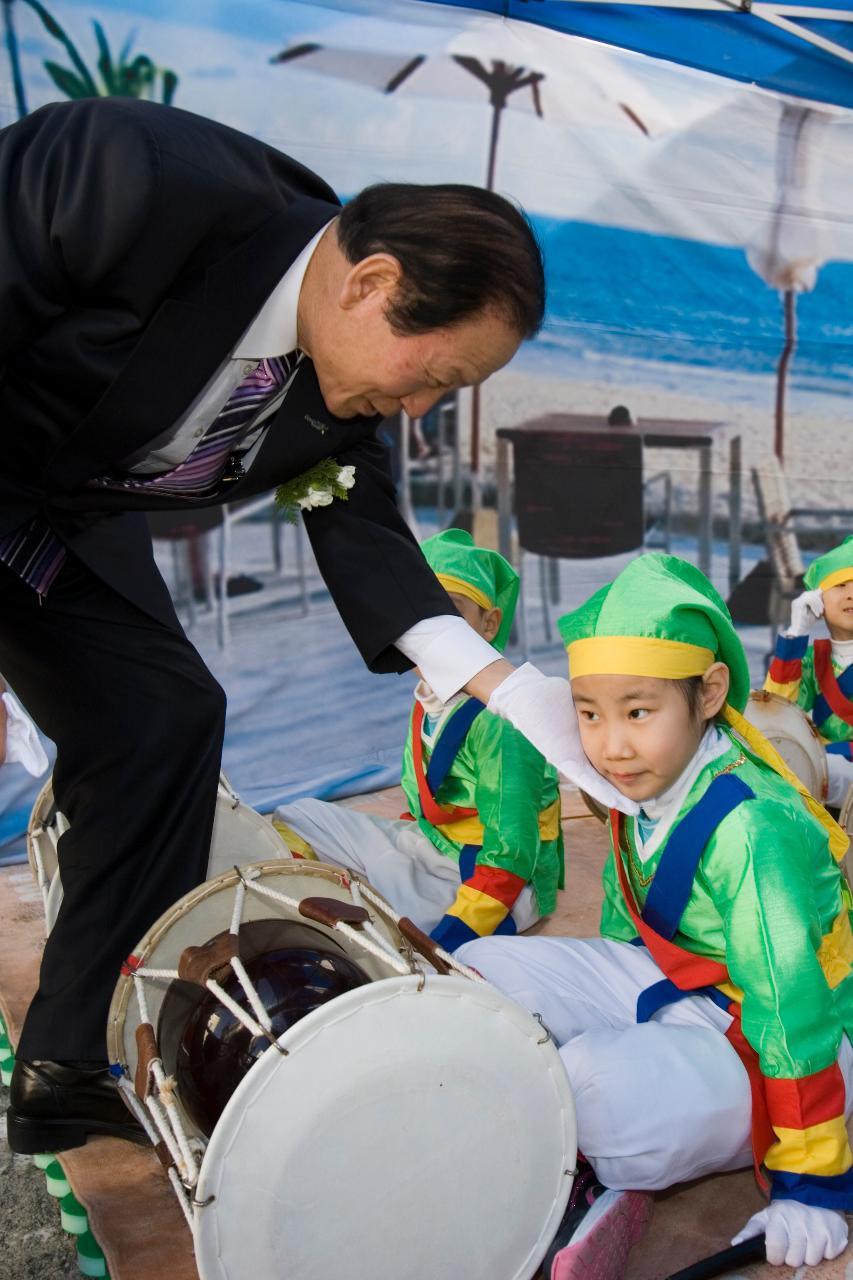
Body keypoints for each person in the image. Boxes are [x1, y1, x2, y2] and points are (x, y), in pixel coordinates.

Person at [0, 97, 628, 1154]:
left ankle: (66, 1065)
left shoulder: (337, 388)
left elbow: (359, 524)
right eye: (436, 377)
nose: (423, 408)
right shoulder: (129, 179)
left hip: (57, 514)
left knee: (163, 716)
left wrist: (506, 689)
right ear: (373, 286)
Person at [457, 553, 853, 1278]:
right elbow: (626, 923)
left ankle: (596, 1162)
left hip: (799, 1035)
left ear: (707, 693)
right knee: (473, 975)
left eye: (637, 712)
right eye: (588, 714)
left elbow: (790, 1009)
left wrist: (813, 1184)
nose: (609, 746)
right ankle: (605, 1147)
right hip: (679, 985)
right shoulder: (649, 769)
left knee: (590, 1088)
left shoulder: (751, 829)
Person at [276, 529, 564, 948]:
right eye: (416, 616)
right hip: (431, 844)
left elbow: (511, 854)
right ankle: (349, 900)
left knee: (402, 934)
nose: (431, 637)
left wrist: (446, 942)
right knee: (297, 816)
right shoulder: (430, 696)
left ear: (489, 624)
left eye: (451, 615)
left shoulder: (503, 722)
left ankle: (412, 923)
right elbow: (427, 807)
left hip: (492, 873)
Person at [765, 536, 853, 807]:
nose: (851, 594)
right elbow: (776, 713)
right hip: (824, 776)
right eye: (840, 585)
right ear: (818, 599)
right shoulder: (811, 659)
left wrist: (830, 753)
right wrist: (796, 634)